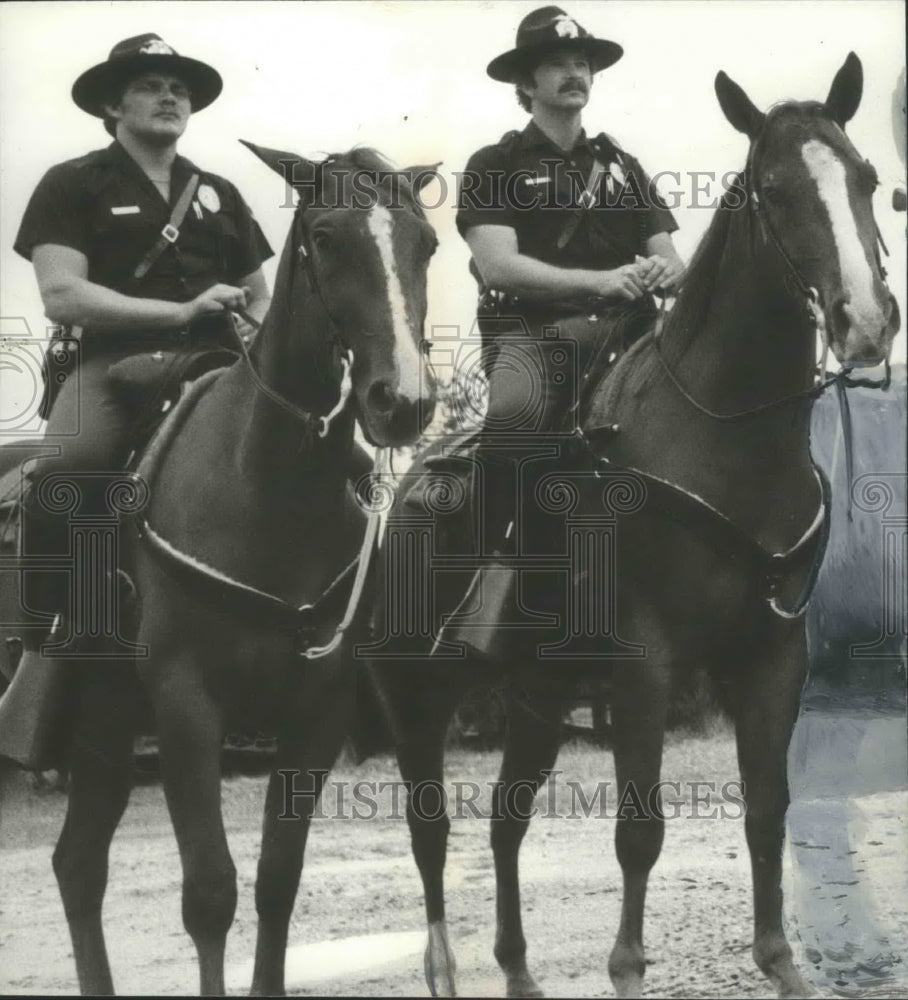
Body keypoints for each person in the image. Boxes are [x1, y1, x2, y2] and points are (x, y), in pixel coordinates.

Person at [0, 33, 274, 768]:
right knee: (63, 475)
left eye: (178, 87)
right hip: (113, 366)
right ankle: (52, 646)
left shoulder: (220, 191)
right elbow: (62, 295)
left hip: (221, 363)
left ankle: (322, 640)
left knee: (330, 458)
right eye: (151, 85)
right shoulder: (72, 182)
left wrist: (248, 327)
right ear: (113, 104)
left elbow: (260, 297)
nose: (170, 96)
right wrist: (178, 314)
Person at [438, 6, 684, 657]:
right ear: (527, 80)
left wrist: (660, 268)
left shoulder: (623, 166)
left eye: (584, 64)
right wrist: (598, 285)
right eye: (559, 64)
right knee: (515, 416)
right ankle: (476, 584)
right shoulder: (496, 161)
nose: (575, 74)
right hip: (534, 338)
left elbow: (673, 262)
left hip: (631, 338)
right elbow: (499, 264)